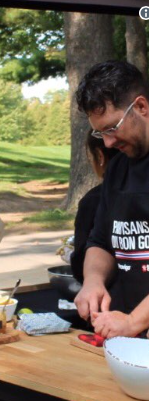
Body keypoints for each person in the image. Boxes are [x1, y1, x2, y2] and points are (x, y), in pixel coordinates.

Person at [74, 60, 149, 339]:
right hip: (128, 340)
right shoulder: (118, 169)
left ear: (141, 107)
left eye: (111, 128)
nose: (106, 143)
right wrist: (93, 281)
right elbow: (101, 241)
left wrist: (132, 322)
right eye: (99, 132)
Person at [70, 130, 118, 283]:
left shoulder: (94, 200)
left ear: (100, 156)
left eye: (91, 157)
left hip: (111, 298)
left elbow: (80, 264)